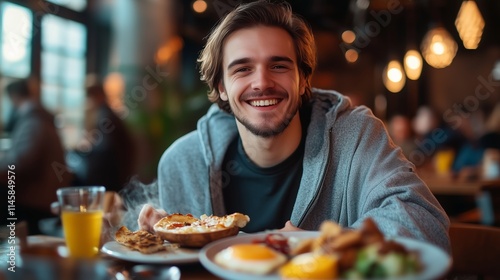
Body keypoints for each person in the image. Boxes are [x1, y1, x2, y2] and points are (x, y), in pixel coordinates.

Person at [137, 0, 450, 251]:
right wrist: (160, 238)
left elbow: (426, 227)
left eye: (279, 65)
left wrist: (320, 246)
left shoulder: (355, 136)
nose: (262, 82)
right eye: (243, 69)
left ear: (303, 81)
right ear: (220, 87)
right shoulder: (183, 163)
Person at [0, 78, 73, 234]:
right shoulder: (40, 118)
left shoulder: (33, 122)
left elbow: (21, 163)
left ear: (13, 97)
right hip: (45, 196)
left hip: (34, 200)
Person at [67, 82, 137, 192]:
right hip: (115, 175)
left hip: (107, 177)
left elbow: (105, 149)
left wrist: (81, 149)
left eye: (89, 97)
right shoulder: (108, 114)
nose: (88, 102)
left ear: (98, 96)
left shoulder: (105, 116)